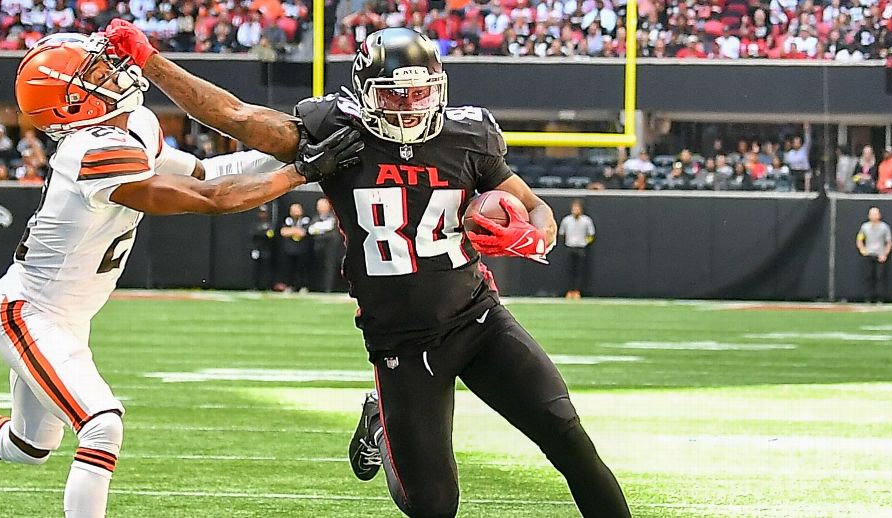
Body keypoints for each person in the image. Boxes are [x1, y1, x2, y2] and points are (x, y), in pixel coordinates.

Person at [107, 22, 630, 518]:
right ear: (363, 91)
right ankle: (380, 422)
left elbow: (537, 207)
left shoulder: (468, 136)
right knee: (432, 505)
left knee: (568, 439)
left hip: (478, 320)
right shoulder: (335, 131)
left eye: (420, 92)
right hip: (402, 341)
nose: (408, 105)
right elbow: (236, 116)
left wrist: (535, 230)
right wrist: (149, 60)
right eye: (393, 94)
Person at [0, 33, 362, 518]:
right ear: (73, 102)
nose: (116, 72)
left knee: (26, 446)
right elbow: (209, 200)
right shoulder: (91, 151)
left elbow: (210, 173)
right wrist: (303, 171)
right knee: (101, 426)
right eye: (98, 71)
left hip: (57, 312)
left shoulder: (130, 128)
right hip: (33, 313)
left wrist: (295, 151)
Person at [559, 200, 595, 299]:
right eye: (574, 208)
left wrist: (585, 242)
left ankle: (577, 291)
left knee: (579, 271)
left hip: (581, 248)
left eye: (577, 208)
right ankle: (570, 291)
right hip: (570, 247)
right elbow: (562, 233)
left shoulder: (586, 220)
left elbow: (591, 234)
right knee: (570, 270)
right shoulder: (566, 220)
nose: (576, 210)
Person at [856, 207, 892, 303]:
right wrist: (863, 250)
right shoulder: (865, 227)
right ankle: (868, 298)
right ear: (868, 216)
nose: (873, 216)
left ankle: (880, 298)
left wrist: (885, 254)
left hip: (880, 255)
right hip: (869, 255)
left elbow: (889, 242)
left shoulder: (885, 227)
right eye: (871, 214)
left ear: (879, 215)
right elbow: (859, 239)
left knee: (880, 277)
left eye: (875, 214)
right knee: (868, 277)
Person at [309, 197, 343, 292]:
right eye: (319, 206)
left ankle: (327, 288)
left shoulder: (333, 218)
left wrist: (318, 229)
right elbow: (311, 230)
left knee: (329, 266)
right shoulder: (315, 218)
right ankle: (318, 286)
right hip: (318, 245)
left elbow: (330, 228)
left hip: (331, 245)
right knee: (319, 265)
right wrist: (320, 229)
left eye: (323, 206)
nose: (321, 208)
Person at [278, 202, 312, 291]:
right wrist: (295, 230)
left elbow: (303, 232)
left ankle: (303, 286)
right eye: (293, 210)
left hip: (302, 249)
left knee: (302, 268)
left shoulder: (306, 220)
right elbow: (283, 232)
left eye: (297, 210)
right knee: (289, 268)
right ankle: (289, 286)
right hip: (290, 249)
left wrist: (292, 231)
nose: (296, 212)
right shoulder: (287, 220)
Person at [250, 205, 277, 290]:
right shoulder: (255, 223)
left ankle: (267, 286)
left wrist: (263, 233)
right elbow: (253, 234)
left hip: (267, 249)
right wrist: (263, 232)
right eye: (261, 213)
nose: (263, 215)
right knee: (256, 269)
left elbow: (271, 235)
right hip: (257, 249)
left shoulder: (270, 223)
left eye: (264, 213)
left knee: (267, 269)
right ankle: (255, 286)